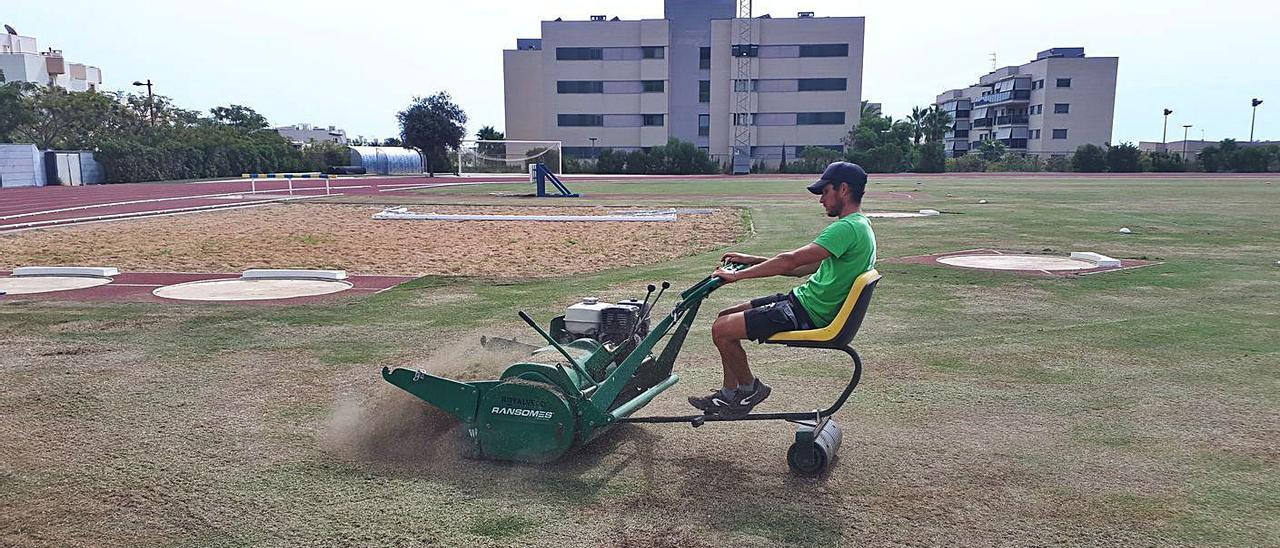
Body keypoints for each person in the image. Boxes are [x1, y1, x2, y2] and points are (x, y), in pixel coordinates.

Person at [688, 161, 877, 416]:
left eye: (825, 191)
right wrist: (751, 259)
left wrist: (738, 277)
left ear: (843, 189)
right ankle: (728, 395)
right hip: (800, 303)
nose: (821, 200)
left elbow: (791, 260)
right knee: (724, 317)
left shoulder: (847, 228)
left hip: (806, 313)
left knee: (721, 330)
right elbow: (799, 269)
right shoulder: (861, 227)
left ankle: (749, 388)